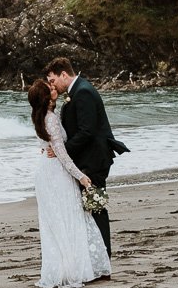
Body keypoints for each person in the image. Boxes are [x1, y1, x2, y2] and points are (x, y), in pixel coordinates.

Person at [28, 79, 111, 288]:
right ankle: (73, 269)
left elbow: (54, 149)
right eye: (50, 89)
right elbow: (62, 155)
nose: (54, 88)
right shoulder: (51, 119)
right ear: (46, 98)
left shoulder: (42, 117)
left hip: (45, 172)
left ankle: (63, 267)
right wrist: (81, 177)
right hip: (56, 173)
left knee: (56, 222)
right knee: (68, 218)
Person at [45, 56, 128, 260]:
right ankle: (95, 258)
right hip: (88, 160)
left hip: (93, 161)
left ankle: (103, 259)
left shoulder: (82, 92)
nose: (52, 85)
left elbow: (86, 132)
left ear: (64, 74)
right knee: (90, 208)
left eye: (53, 80)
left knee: (96, 207)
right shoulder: (78, 90)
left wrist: (61, 150)